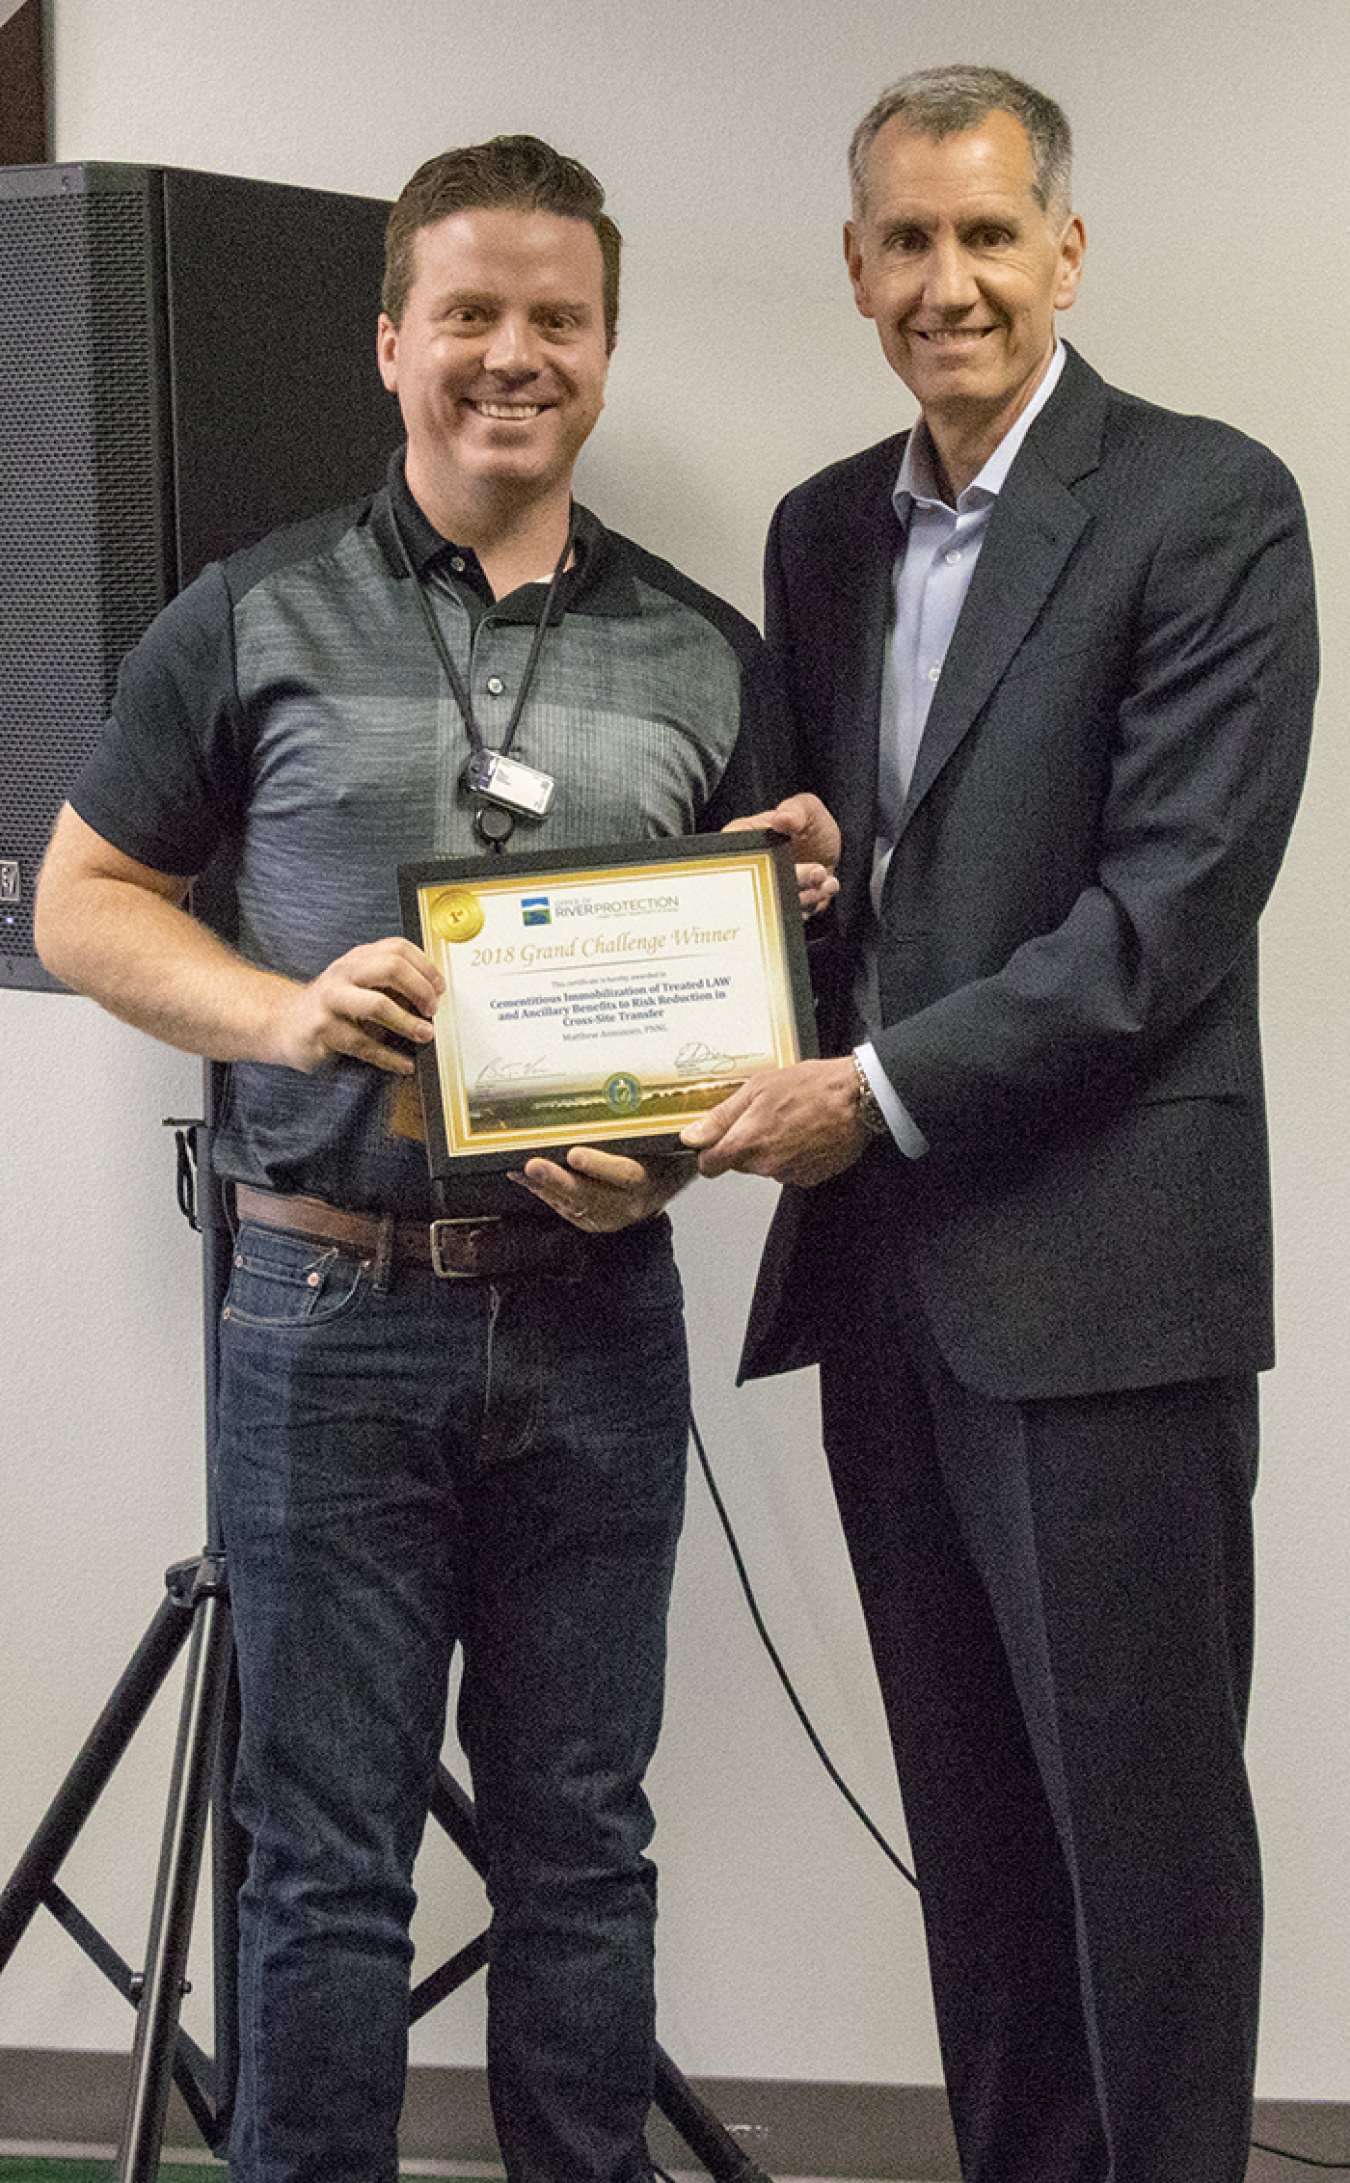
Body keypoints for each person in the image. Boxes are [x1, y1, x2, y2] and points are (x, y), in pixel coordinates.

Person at [34, 134, 831, 2183]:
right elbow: (81, 902)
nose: (512, 354)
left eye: (557, 317)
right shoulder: (252, 612)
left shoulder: (706, 653)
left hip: (596, 1317)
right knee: (321, 1860)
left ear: (605, 349)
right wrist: (282, 1014)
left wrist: (674, 1158)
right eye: (469, 312)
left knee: (583, 1844)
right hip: (321, 1310)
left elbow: (751, 1015)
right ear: (390, 342)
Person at [683, 65, 1318, 2183]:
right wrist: (799, 888)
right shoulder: (821, 530)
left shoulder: (1206, 501)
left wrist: (865, 1093)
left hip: (1107, 1288)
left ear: (1066, 248)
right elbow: (876, 876)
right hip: (889, 1294)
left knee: (1144, 1842)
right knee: (971, 1837)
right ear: (854, 265)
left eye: (984, 234)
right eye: (905, 241)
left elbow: (1166, 917)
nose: (945, 282)